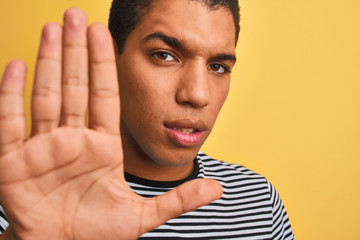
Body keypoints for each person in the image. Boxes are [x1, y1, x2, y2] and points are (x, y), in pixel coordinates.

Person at [0, 0, 295, 239]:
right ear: (110, 56)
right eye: (164, 56)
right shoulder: (24, 199)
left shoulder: (259, 203)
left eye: (217, 66)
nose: (197, 94)